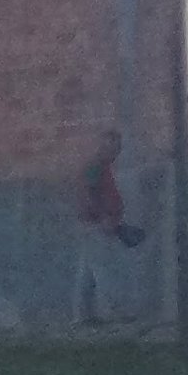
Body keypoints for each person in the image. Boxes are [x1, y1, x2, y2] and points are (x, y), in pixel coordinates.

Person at [73, 130, 144, 324]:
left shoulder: (101, 167)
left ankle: (82, 316)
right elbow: (87, 194)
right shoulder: (95, 167)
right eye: (113, 147)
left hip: (93, 224)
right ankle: (115, 312)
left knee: (87, 272)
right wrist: (103, 217)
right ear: (103, 146)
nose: (116, 153)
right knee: (103, 270)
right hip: (96, 225)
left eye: (117, 148)